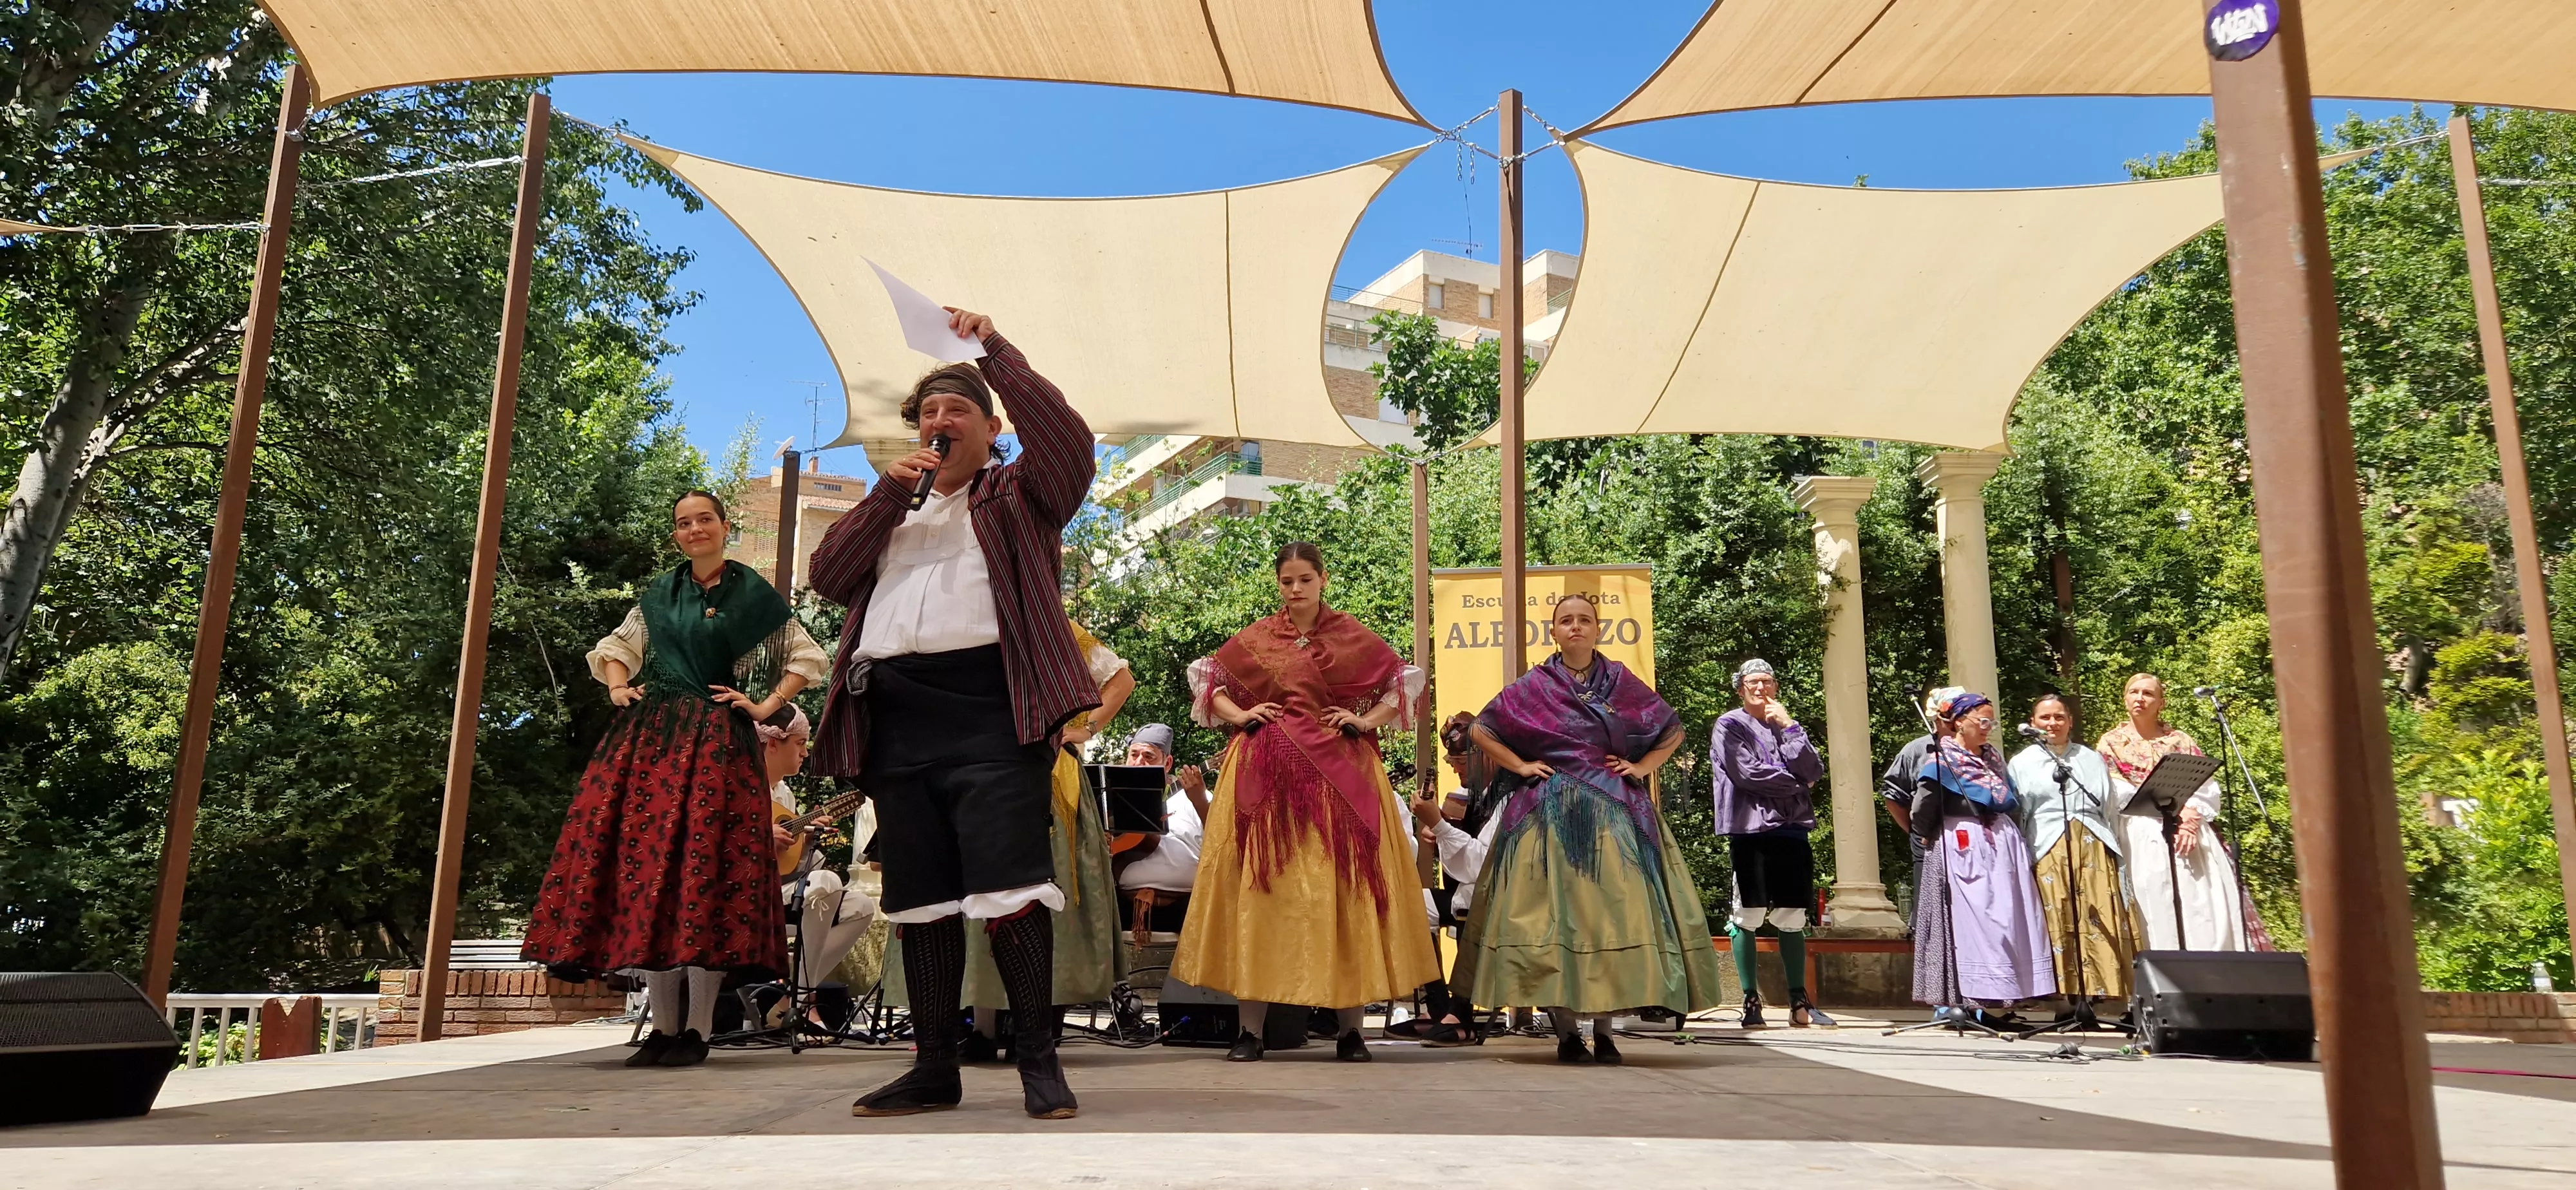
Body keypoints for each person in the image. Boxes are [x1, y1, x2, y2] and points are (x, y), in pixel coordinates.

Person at [806, 308, 1097, 1120]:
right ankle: (934, 1066)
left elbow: (1068, 442)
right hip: (896, 716)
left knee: (1009, 890)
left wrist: (994, 354)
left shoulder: (1020, 493)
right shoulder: (891, 509)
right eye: (928, 413)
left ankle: (1039, 1059)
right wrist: (881, 500)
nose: (937, 424)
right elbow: (828, 578)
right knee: (920, 898)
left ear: (991, 427)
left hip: (991, 711)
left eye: (955, 411)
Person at [521, 489, 827, 1068]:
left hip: (717, 747)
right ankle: (663, 1029)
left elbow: (805, 656)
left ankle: (700, 1031)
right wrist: (617, 686)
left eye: (703, 520)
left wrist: (766, 707)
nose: (694, 530)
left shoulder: (752, 594)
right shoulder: (660, 593)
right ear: (676, 535)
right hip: (652, 748)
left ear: (724, 527)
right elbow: (617, 648)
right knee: (651, 880)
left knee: (703, 880)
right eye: (683, 524)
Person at [1170, 541, 1437, 1063]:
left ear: (1323, 580)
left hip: (1342, 776)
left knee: (1347, 896)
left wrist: (1364, 722)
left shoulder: (1351, 635)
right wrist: (1240, 716)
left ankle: (1350, 1032)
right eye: (1287, 581)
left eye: (1305, 580)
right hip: (1264, 778)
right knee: (1259, 898)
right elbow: (1210, 684)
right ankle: (1249, 1032)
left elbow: (1401, 684)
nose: (1295, 589)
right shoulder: (1258, 637)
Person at [1452, 594, 1726, 1064]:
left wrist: (1641, 767)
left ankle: (1604, 1034)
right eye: (1566, 621)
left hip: (1616, 814)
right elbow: (1482, 730)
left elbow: (1672, 730)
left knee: (1614, 918)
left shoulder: (1620, 680)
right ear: (1553, 631)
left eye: (1584, 620)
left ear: (1598, 629)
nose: (1575, 627)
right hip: (1546, 815)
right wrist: (1521, 764)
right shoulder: (1535, 685)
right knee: (1550, 919)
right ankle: (1566, 1035)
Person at [891, 618, 1132, 1065]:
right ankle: (981, 1029)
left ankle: (1035, 1030)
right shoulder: (964, 621)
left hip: (1044, 777)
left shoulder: (1054, 625)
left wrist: (1085, 728)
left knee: (1028, 899)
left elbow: (1121, 679)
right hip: (970, 771)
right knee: (973, 896)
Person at [1913, 691, 2058, 1010]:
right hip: (1962, 843)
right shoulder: (1941, 760)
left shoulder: (1993, 758)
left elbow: (2012, 801)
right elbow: (1922, 809)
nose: (1987, 727)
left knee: (2006, 919)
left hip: (2002, 847)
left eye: (1991, 721)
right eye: (1981, 720)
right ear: (1959, 723)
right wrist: (1927, 834)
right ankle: (1964, 999)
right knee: (1966, 923)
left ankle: (2002, 995)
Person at [1709, 658, 1832, 1028]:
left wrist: (1791, 728)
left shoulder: (1787, 726)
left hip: (1792, 829)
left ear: (1776, 687)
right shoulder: (1729, 724)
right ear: (1740, 689)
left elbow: (1814, 769)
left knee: (1793, 916)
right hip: (1750, 830)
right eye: (1752, 683)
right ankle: (1751, 1002)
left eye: (1767, 681)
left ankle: (1799, 1001)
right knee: (1748, 915)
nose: (1760, 688)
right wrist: (1797, 785)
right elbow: (1748, 774)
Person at [2097, 674, 2258, 952]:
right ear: (2125, 699)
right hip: (2141, 828)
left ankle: (2212, 965)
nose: (2140, 698)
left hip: (2187, 826)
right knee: (2155, 896)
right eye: (2133, 692)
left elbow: (2204, 783)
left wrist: (2191, 817)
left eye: (2148, 693)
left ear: (2162, 702)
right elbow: (2115, 791)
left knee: (2201, 897)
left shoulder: (2179, 740)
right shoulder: (2111, 742)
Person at [2007, 693, 2138, 1006]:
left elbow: (2107, 804)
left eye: (2059, 717)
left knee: (2096, 916)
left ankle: (2098, 993)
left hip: (2092, 843)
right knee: (2058, 916)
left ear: (2070, 722)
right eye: (2045, 718)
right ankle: (2065, 999)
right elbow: (2020, 811)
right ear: (2033, 722)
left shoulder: (2091, 759)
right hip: (2047, 845)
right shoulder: (2021, 763)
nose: (2052, 724)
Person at [1401, 713, 1511, 1047]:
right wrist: (1439, 832)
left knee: (1463, 906)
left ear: (1485, 757)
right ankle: (1440, 1008)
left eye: (1461, 760)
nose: (1455, 769)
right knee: (1406, 909)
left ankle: (1460, 1015)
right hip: (1472, 896)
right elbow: (1459, 865)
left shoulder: (1508, 798)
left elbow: (1480, 866)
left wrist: (1441, 826)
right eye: (1452, 760)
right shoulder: (1470, 796)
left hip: (1500, 902)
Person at [762, 706, 880, 999]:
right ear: (774, 744)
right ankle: (803, 1000)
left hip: (778, 889)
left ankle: (794, 997)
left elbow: (786, 862)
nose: (805, 754)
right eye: (800, 744)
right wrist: (761, 836)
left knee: (860, 906)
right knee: (827, 881)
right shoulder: (739, 788)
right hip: (743, 895)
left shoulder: (785, 794)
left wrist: (805, 832)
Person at [1893, 689, 1962, 1014]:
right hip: (1930, 841)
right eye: (1950, 716)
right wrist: (1914, 831)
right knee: (1933, 919)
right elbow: (1892, 794)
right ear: (1937, 718)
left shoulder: (1982, 751)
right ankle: (1940, 999)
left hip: (1969, 844)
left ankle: (1980, 997)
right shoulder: (1917, 750)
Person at [1113, 723, 1209, 941]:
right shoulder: (1111, 800)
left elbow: (1226, 839)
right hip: (1121, 903)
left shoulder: (1192, 796)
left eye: (1149, 756)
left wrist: (1200, 801)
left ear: (1167, 763)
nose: (1139, 763)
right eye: (1134, 755)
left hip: (1184, 906)